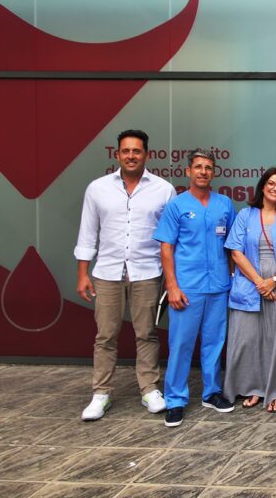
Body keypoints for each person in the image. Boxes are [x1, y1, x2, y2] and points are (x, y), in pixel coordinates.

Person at [75, 129, 176, 421]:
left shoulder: (163, 189)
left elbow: (170, 238)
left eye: (137, 151)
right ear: (117, 154)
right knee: (105, 335)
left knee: (147, 334)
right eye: (126, 151)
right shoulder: (97, 188)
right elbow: (87, 233)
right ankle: (101, 393)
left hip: (147, 272)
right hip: (108, 272)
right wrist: (83, 273)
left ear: (147, 155)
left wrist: (171, 277)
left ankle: (149, 389)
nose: (131, 156)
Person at [153, 149, 237, 427]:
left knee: (214, 343)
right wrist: (172, 286)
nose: (203, 172)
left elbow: (232, 246)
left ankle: (211, 393)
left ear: (214, 172)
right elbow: (166, 248)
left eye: (208, 167)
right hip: (187, 287)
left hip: (218, 286)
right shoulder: (177, 206)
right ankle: (175, 400)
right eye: (198, 167)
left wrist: (232, 277)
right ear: (188, 171)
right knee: (181, 344)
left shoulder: (224, 204)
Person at [224, 167, 276, 413]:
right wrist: (260, 283)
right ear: (263, 186)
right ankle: (254, 387)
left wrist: (274, 280)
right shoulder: (245, 215)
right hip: (250, 282)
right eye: (271, 183)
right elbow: (236, 252)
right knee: (249, 339)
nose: (275, 188)